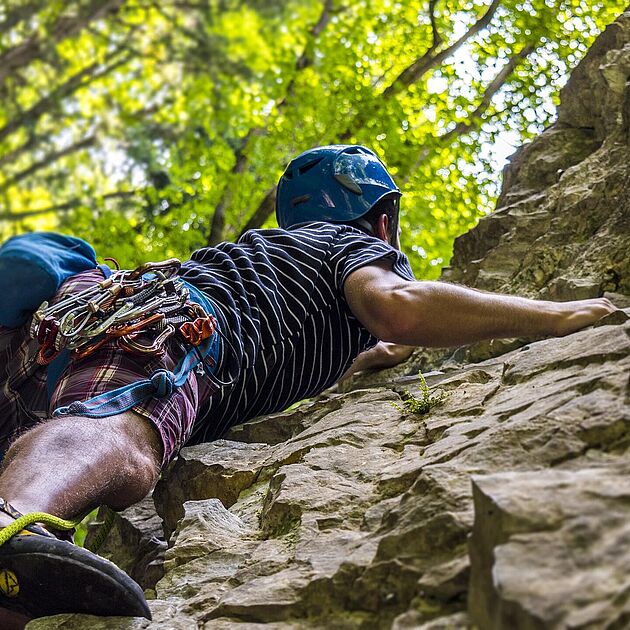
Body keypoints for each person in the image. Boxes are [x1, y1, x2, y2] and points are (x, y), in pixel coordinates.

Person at [0, 145, 616, 625]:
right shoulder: (350, 245)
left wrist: (379, 355)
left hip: (56, 334)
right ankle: (12, 514)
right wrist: (558, 315)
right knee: (127, 440)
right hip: (166, 323)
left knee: (22, 573)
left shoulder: (279, 270)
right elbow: (397, 307)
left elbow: (368, 343)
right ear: (381, 219)